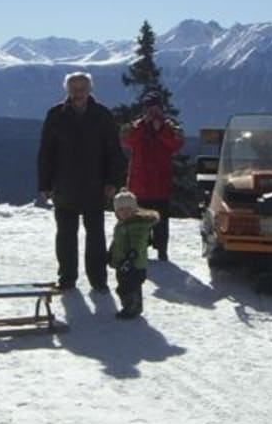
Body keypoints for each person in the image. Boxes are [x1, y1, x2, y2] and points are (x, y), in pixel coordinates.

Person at [37, 72, 126, 291]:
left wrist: (113, 182)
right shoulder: (55, 114)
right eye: (74, 88)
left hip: (95, 185)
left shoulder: (102, 115)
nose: (78, 93)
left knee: (96, 237)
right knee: (65, 236)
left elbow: (114, 152)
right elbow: (46, 152)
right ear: (67, 90)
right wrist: (45, 184)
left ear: (90, 90)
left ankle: (98, 280)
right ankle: (67, 279)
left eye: (82, 88)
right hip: (64, 185)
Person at [120, 90, 184, 261]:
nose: (153, 112)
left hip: (160, 185)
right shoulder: (136, 126)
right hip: (139, 185)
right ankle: (140, 248)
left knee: (161, 222)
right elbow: (126, 141)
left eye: (156, 108)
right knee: (139, 221)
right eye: (149, 109)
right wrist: (143, 126)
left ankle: (162, 250)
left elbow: (176, 144)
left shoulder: (170, 127)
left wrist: (160, 130)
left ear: (162, 109)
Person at [108, 190, 158, 319]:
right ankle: (132, 306)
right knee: (125, 286)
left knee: (129, 287)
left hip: (134, 264)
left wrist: (131, 256)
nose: (124, 212)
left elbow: (139, 242)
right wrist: (112, 253)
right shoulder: (123, 223)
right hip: (123, 263)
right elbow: (118, 241)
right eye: (121, 209)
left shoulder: (137, 225)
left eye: (128, 209)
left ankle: (132, 308)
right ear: (116, 212)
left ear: (134, 209)